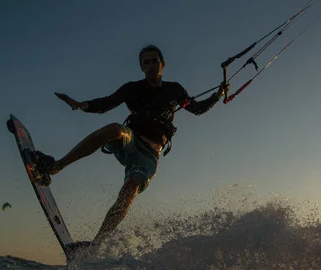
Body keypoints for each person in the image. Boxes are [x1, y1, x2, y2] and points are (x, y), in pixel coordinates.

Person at [31, 45, 229, 257]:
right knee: (115, 129)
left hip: (151, 155)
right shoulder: (132, 88)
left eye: (154, 61)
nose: (151, 65)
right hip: (130, 140)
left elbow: (196, 109)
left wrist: (218, 95)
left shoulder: (176, 90)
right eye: (146, 62)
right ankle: (55, 167)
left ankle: (94, 247)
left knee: (131, 189)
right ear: (141, 67)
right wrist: (82, 105)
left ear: (162, 64)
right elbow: (106, 103)